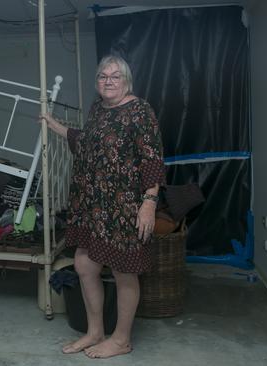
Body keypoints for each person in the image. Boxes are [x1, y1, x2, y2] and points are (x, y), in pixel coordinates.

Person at [41, 55, 165, 359]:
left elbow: (152, 160)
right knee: (84, 264)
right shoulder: (98, 109)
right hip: (93, 204)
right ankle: (95, 331)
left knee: (124, 271)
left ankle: (122, 339)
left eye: (115, 77)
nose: (108, 82)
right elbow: (86, 142)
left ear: (126, 81)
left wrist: (149, 203)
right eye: (103, 77)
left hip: (124, 206)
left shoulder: (140, 110)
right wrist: (53, 124)